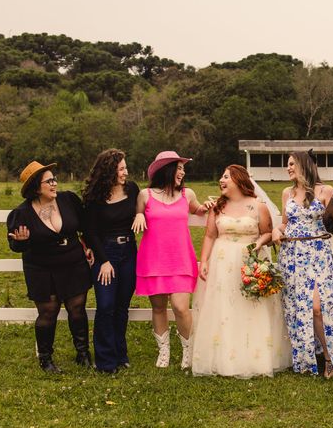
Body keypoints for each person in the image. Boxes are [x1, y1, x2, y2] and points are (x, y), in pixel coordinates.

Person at [190, 164, 291, 377]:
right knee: (224, 307)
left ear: (238, 179)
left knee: (250, 307)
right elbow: (210, 235)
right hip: (222, 262)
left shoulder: (258, 206)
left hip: (249, 261)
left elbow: (266, 233)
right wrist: (205, 260)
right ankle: (223, 357)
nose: (221, 180)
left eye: (226, 176)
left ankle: (254, 357)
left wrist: (258, 244)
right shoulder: (218, 207)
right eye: (221, 176)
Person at [6, 161, 93, 373]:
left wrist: (88, 245)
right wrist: (21, 241)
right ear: (36, 187)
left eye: (54, 179)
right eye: (49, 181)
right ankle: (46, 358)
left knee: (77, 308)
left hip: (73, 262)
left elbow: (85, 226)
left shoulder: (68, 200)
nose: (54, 184)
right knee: (48, 312)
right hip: (42, 267)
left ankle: (83, 354)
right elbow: (15, 246)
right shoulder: (22, 213)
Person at [133, 151, 212, 369]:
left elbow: (197, 210)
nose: (182, 172)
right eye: (178, 168)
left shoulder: (187, 194)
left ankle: (188, 350)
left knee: (180, 307)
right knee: (158, 307)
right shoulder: (145, 195)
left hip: (180, 259)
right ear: (166, 170)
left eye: (182, 168)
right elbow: (138, 213)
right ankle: (164, 352)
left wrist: (205, 207)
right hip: (153, 260)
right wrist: (139, 214)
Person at [272, 150, 333, 378]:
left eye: (292, 163)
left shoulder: (325, 191)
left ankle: (329, 359)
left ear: (304, 165)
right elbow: (285, 224)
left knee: (317, 307)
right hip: (292, 257)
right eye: (287, 164)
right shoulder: (287, 193)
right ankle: (305, 358)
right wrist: (275, 230)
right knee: (298, 308)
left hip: (318, 255)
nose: (288, 168)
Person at [82, 149, 139, 374]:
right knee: (106, 306)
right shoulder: (95, 197)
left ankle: (120, 353)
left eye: (125, 168)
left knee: (121, 306)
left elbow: (144, 208)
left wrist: (141, 213)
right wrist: (104, 261)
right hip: (105, 252)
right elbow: (90, 231)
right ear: (109, 170)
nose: (126, 172)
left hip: (129, 252)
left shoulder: (132, 189)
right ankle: (105, 361)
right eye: (121, 168)